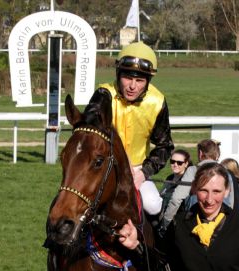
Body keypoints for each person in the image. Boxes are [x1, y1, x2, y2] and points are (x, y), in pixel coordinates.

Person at [86, 41, 174, 216]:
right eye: (128, 78)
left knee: (153, 205)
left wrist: (143, 173)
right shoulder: (104, 94)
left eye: (139, 80)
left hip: (137, 169)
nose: (133, 86)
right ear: (118, 75)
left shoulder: (157, 101)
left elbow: (165, 147)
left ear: (147, 81)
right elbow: (89, 125)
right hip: (103, 165)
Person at [158, 139, 234, 234]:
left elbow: (176, 199)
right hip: (223, 225)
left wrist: (165, 223)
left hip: (196, 225)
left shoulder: (193, 170)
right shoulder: (227, 173)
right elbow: (230, 203)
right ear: (216, 154)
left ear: (200, 153)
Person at [159, 149, 192, 223]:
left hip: (175, 221)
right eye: (172, 161)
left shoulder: (186, 182)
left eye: (179, 163)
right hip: (161, 216)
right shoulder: (169, 178)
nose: (175, 165)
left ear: (186, 164)